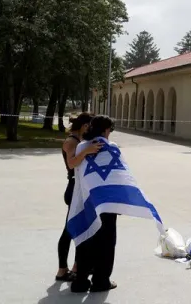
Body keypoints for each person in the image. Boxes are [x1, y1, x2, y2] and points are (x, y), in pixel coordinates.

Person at [71, 115, 119, 293]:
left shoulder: (82, 146)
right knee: (106, 242)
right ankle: (101, 281)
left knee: (87, 239)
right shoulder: (112, 148)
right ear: (106, 130)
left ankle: (81, 281)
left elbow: (72, 164)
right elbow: (120, 176)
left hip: (86, 201)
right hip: (106, 202)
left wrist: (84, 152)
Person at [55, 112, 102, 282]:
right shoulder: (71, 142)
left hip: (80, 187)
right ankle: (62, 269)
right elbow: (72, 163)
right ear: (84, 126)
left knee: (80, 227)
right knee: (69, 229)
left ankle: (76, 267)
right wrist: (87, 151)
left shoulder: (79, 141)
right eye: (90, 126)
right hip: (74, 187)